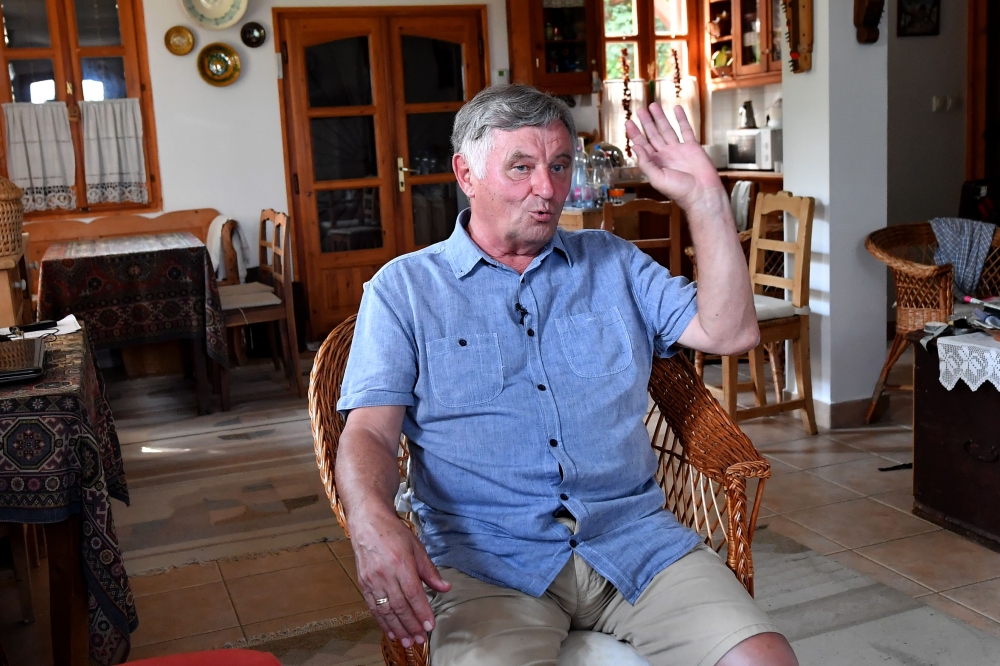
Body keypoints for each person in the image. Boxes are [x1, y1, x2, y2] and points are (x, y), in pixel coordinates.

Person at [335, 84, 798, 666]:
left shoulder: (613, 261)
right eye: (521, 167)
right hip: (488, 562)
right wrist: (371, 520)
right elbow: (370, 433)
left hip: (634, 541)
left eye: (558, 166)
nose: (548, 188)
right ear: (466, 173)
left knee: (763, 660)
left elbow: (731, 333)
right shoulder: (404, 290)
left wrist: (705, 197)